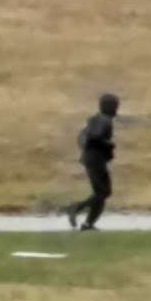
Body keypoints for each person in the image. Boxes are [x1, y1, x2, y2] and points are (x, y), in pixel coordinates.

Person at [66, 93, 120, 232]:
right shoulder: (105, 120)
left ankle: (88, 224)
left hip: (92, 158)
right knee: (103, 192)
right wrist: (109, 144)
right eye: (115, 106)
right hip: (95, 160)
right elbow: (95, 137)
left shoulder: (94, 119)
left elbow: (82, 137)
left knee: (102, 192)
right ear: (111, 107)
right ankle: (76, 208)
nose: (117, 109)